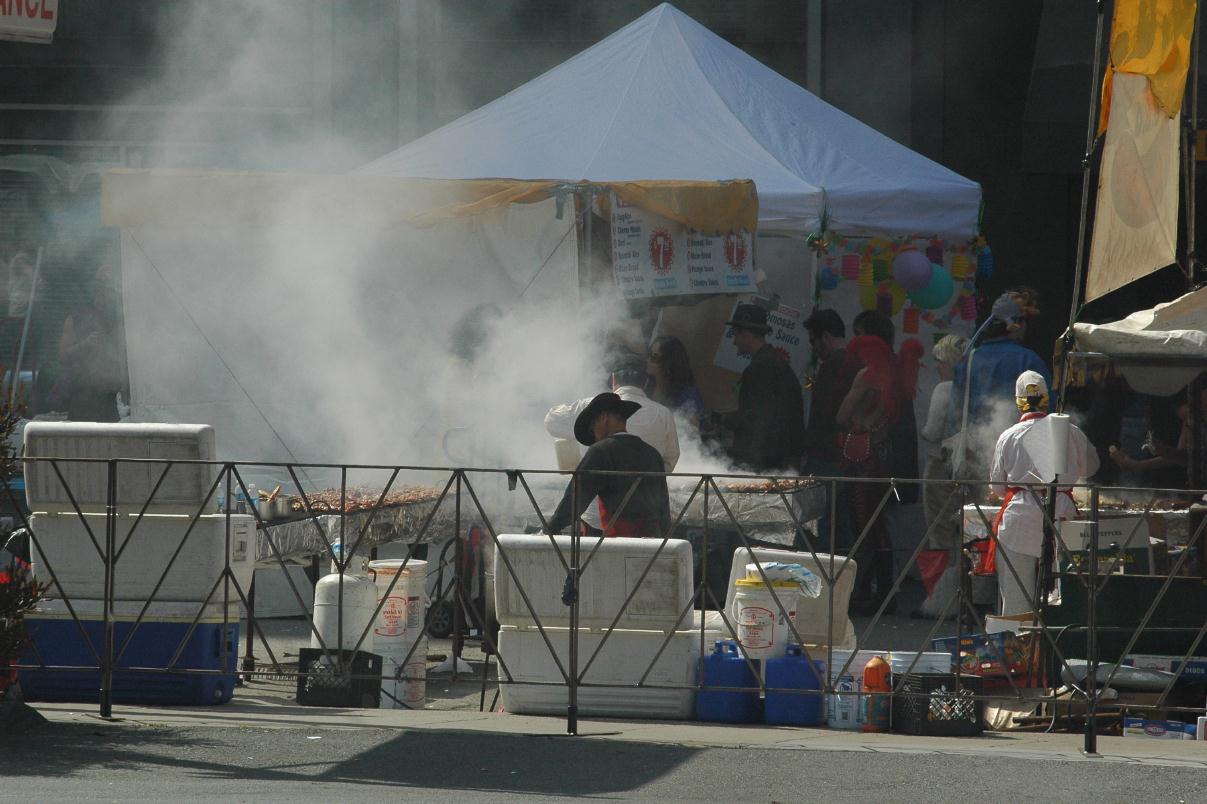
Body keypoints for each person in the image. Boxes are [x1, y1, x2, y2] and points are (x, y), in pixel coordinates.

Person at [989, 371, 1099, 615]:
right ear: (1046, 398)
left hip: (1020, 515)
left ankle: (1020, 645)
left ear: (1018, 401)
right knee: (1068, 588)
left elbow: (997, 487)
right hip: (1061, 510)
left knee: (1017, 595)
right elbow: (1092, 467)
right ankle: (1062, 639)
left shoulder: (1008, 436)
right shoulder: (1070, 430)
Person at [836, 331, 920, 614]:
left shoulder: (866, 376)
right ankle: (883, 593)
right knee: (877, 527)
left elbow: (842, 415)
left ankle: (862, 593)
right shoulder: (895, 376)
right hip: (884, 457)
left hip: (863, 460)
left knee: (862, 527)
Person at [950, 290, 1049, 479]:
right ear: (1015, 324)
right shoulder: (1029, 361)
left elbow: (955, 412)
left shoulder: (968, 360)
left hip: (973, 456)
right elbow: (1045, 410)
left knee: (975, 507)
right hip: (1022, 458)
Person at [545, 392, 671, 538]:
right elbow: (663, 507)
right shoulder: (652, 454)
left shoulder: (601, 451)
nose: (594, 434)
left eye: (593, 426)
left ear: (604, 418)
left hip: (619, 544)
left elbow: (577, 496)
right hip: (653, 543)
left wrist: (551, 527)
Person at [546, 354, 680, 472]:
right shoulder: (663, 414)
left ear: (614, 379)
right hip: (648, 495)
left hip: (599, 492)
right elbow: (670, 458)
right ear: (645, 382)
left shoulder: (593, 407)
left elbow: (551, 421)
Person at [914, 334, 969, 619]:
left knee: (940, 531)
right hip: (970, 466)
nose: (937, 367)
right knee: (967, 533)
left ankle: (938, 600)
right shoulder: (974, 386)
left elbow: (933, 432)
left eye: (939, 361)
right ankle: (967, 596)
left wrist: (924, 432)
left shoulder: (944, 389)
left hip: (941, 465)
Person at [716, 303, 805, 472]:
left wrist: (724, 419)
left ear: (746, 334)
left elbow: (753, 418)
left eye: (735, 335)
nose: (734, 342)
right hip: (778, 458)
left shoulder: (758, 369)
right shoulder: (779, 364)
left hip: (761, 460)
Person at [853, 311, 923, 503]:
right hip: (895, 461)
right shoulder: (896, 365)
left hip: (883, 461)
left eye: (859, 335)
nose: (856, 341)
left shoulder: (879, 369)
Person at [802, 308, 858, 549]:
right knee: (842, 524)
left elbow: (824, 416)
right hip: (847, 455)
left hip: (825, 455)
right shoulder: (857, 362)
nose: (813, 347)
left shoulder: (833, 365)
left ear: (824, 337)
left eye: (813, 341)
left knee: (817, 523)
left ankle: (819, 578)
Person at [50, 267, 124, 421]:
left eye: (109, 287)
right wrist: (84, 345)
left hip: (109, 398)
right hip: (82, 397)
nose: (106, 293)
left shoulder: (120, 319)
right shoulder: (77, 317)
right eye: (101, 287)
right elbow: (62, 356)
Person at [645, 335, 705, 431]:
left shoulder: (688, 395)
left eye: (654, 357)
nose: (648, 360)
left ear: (669, 362)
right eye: (648, 354)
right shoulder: (646, 385)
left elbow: (692, 433)